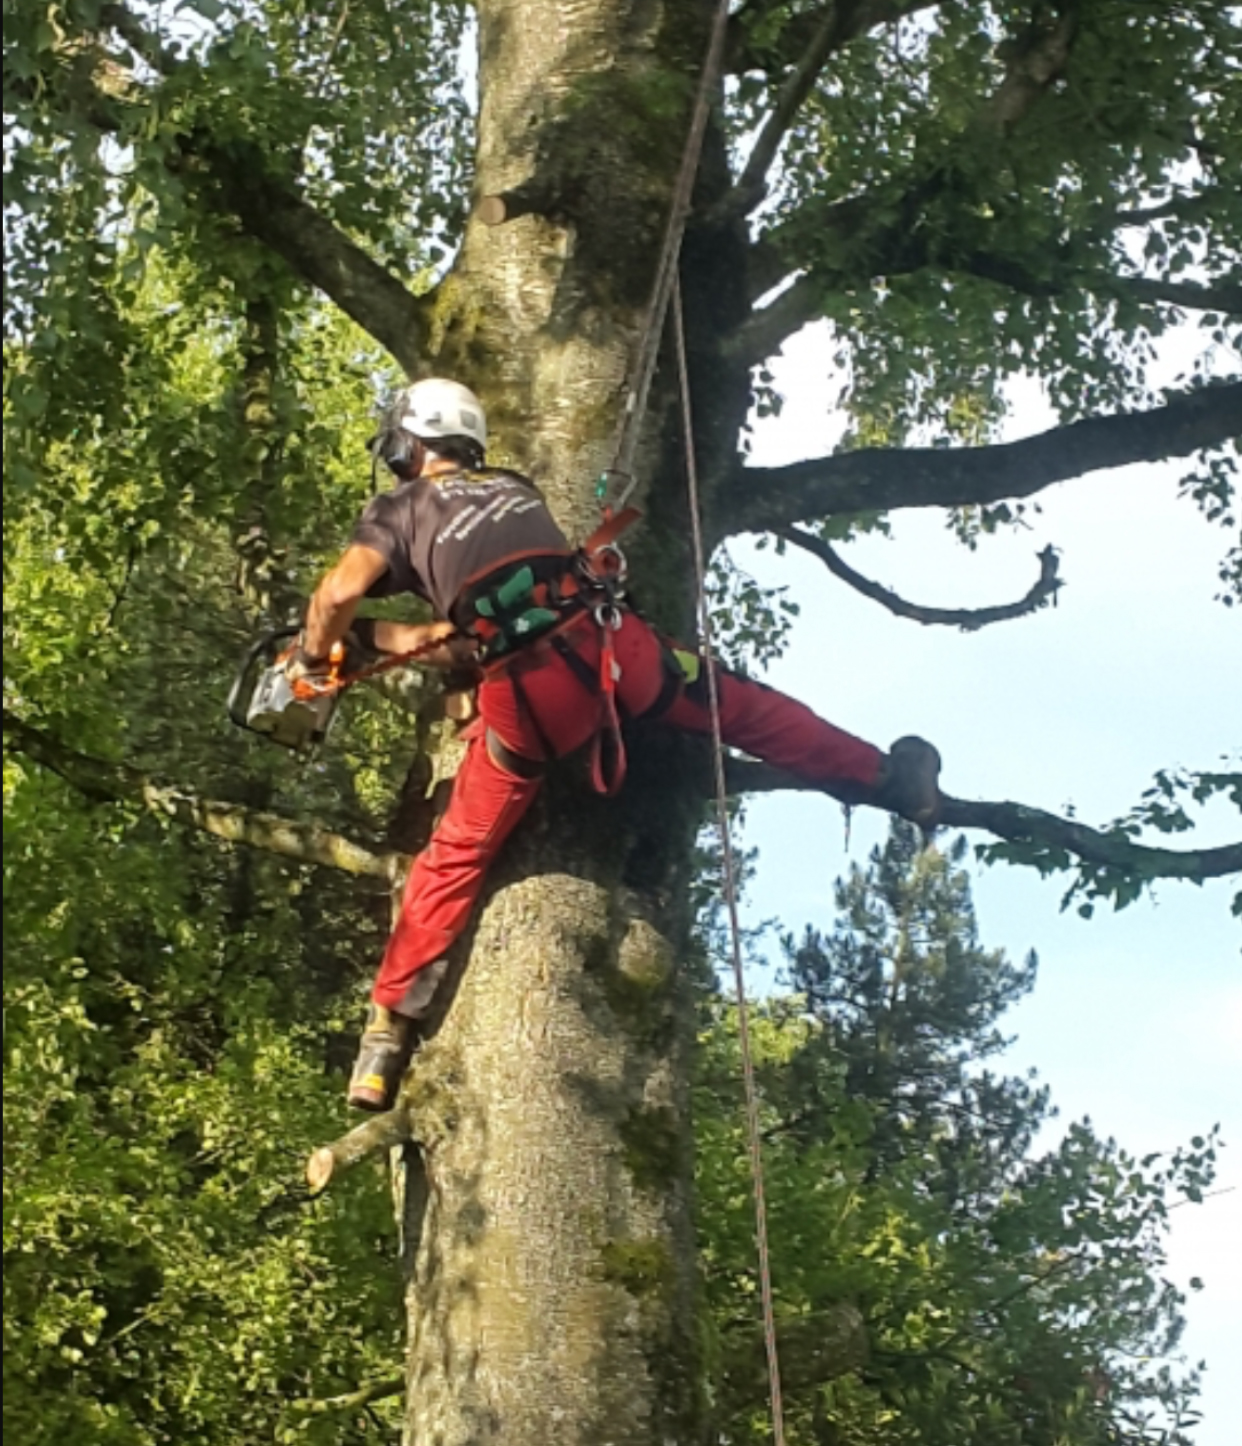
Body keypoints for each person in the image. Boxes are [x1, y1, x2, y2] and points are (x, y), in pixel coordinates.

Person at [290, 378, 943, 1111]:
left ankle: (385, 1038)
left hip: (530, 697)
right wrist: (382, 641)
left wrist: (315, 657)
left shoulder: (400, 508)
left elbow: (339, 595)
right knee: (744, 705)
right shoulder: (511, 488)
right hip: (614, 652)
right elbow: (466, 629)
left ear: (408, 444)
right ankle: (889, 778)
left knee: (457, 852)